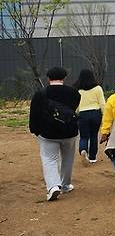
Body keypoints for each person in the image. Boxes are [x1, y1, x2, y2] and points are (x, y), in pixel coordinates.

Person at [29, 67, 81, 201]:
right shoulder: (74, 93)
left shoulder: (40, 94)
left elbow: (34, 114)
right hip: (69, 131)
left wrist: (35, 130)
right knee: (67, 159)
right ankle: (65, 185)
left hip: (48, 133)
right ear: (64, 78)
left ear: (48, 78)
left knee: (49, 160)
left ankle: (53, 187)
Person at [74, 69, 105, 164]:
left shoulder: (77, 90)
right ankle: (92, 157)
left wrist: (76, 114)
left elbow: (76, 106)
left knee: (84, 136)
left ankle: (83, 150)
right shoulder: (98, 88)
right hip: (95, 113)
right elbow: (102, 104)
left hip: (83, 114)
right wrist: (105, 116)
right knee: (93, 136)